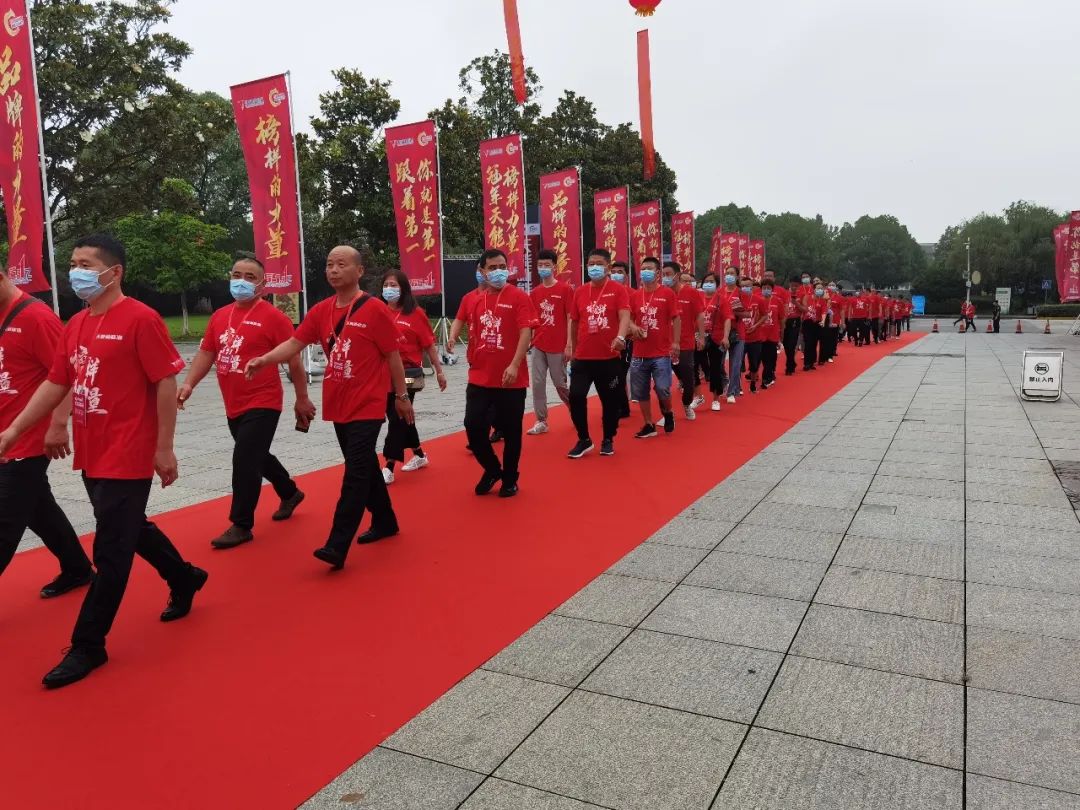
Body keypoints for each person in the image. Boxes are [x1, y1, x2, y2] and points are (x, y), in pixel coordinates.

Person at [0, 233, 208, 688]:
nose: (76, 272)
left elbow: (165, 382)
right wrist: (15, 430)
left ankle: (88, 644)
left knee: (111, 548)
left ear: (114, 273)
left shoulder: (141, 319)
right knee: (129, 527)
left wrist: (164, 447)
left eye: (86, 264)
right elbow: (55, 382)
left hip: (129, 450)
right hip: (93, 449)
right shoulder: (75, 324)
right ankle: (184, 576)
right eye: (73, 263)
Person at [245, 245, 412, 569]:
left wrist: (401, 397)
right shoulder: (321, 311)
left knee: (355, 473)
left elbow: (393, 356)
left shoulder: (375, 310)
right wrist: (265, 359)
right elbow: (295, 343)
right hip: (338, 402)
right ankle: (385, 520)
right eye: (329, 264)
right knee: (363, 465)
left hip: (368, 403)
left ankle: (337, 544)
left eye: (341, 264)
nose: (333, 270)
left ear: (359, 271)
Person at [177, 256, 312, 549]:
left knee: (245, 459)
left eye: (250, 277)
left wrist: (302, 398)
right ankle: (289, 492)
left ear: (262, 284)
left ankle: (241, 524)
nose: (241, 281)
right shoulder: (220, 316)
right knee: (255, 454)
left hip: (263, 400)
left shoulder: (274, 318)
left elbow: (294, 361)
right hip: (233, 402)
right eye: (237, 275)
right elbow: (207, 353)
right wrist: (188, 384)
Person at [0, 264, 93, 597]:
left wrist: (58, 424)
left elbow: (67, 375)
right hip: (6, 433)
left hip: (27, 438)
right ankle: (77, 568)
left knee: (4, 520)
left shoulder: (36, 318)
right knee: (38, 507)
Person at [458, 249, 532, 493]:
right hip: (480, 376)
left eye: (502, 266)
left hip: (511, 378)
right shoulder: (476, 301)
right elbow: (474, 334)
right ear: (482, 272)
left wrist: (514, 364)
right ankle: (492, 470)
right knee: (473, 426)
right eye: (492, 267)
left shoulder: (519, 297)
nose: (498, 271)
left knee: (511, 432)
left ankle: (510, 479)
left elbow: (526, 331)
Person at [380, 269, 447, 482]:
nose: (389, 289)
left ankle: (389, 466)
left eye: (393, 285)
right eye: (386, 285)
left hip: (408, 375)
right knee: (402, 416)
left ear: (403, 289)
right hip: (383, 374)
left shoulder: (416, 314)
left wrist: (439, 371)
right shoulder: (379, 311)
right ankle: (419, 454)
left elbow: (429, 345)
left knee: (398, 416)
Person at [567, 249, 631, 457]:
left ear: (608, 267)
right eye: (590, 263)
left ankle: (608, 438)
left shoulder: (617, 290)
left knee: (610, 401)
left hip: (608, 357)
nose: (594, 267)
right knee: (576, 396)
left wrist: (620, 337)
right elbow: (574, 322)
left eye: (598, 263)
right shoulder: (580, 292)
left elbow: (624, 316)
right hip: (583, 358)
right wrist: (572, 347)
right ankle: (584, 439)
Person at [628, 257, 679, 436]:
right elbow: (628, 319)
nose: (645, 272)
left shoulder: (667, 293)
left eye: (649, 269)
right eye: (643, 269)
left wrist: (676, 342)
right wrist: (634, 327)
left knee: (663, 388)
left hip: (661, 352)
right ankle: (648, 424)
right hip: (639, 353)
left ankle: (668, 412)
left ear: (657, 273)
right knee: (640, 391)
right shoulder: (635, 296)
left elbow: (676, 318)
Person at [526, 249, 572, 436]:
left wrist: (569, 344)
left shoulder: (565, 290)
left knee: (560, 383)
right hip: (539, 344)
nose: (543, 268)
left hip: (558, 345)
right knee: (537, 383)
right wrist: (529, 339)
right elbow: (531, 320)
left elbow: (570, 318)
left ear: (554, 266)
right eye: (540, 265)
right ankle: (541, 420)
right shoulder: (535, 293)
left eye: (547, 265)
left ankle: (575, 407)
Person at [665, 262, 705, 419]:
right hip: (664, 343)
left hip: (686, 342)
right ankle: (666, 412)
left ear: (677, 275)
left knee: (688, 378)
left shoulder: (691, 293)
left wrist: (701, 337)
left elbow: (699, 315)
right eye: (664, 274)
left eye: (669, 274)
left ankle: (687, 403)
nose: (666, 277)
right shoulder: (662, 292)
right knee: (664, 380)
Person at [700, 272, 732, 410]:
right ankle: (697, 396)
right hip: (699, 337)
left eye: (711, 281)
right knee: (696, 366)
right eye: (706, 281)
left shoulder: (721, 299)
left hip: (716, 338)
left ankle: (715, 399)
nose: (708, 284)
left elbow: (727, 319)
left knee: (715, 368)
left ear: (717, 285)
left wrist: (725, 336)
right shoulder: (698, 297)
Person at [609, 261, 633, 419]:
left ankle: (622, 407)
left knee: (620, 373)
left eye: (620, 272)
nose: (616, 275)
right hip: (608, 340)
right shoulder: (607, 292)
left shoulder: (633, 294)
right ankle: (621, 405)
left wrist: (625, 333)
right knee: (611, 374)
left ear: (626, 275)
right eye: (614, 272)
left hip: (626, 341)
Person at [722, 268, 746, 403]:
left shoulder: (741, 293)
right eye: (727, 273)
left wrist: (733, 312)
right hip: (722, 332)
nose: (729, 276)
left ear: (737, 277)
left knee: (735, 364)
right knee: (718, 363)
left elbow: (747, 313)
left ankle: (731, 392)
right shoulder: (720, 292)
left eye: (732, 274)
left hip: (738, 332)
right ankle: (725, 382)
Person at [741, 278, 767, 392]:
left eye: (747, 286)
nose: (745, 288)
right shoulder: (737, 300)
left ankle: (752, 384)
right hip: (740, 338)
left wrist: (755, 326)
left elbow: (764, 315)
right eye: (743, 286)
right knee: (738, 363)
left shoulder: (759, 300)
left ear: (752, 287)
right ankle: (738, 386)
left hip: (755, 338)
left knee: (754, 363)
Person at [759, 280, 782, 388]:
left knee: (772, 356)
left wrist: (781, 333)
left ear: (772, 289)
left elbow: (781, 318)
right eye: (764, 288)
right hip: (761, 333)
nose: (766, 290)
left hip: (773, 333)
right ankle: (767, 377)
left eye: (768, 288)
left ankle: (770, 372)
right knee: (764, 356)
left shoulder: (777, 301)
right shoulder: (758, 300)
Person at [802, 281, 827, 370]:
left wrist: (823, 321)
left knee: (814, 343)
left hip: (817, 324)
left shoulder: (823, 301)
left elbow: (824, 312)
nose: (820, 290)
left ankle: (811, 362)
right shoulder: (807, 297)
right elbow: (804, 308)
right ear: (814, 289)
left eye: (821, 288)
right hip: (808, 323)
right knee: (808, 343)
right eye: (818, 288)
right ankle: (806, 363)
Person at [782, 276, 803, 376]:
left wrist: (796, 303)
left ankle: (789, 365)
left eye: (796, 286)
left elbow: (804, 309)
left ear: (799, 286)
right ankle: (792, 362)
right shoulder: (785, 293)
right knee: (786, 344)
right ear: (789, 284)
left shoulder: (802, 295)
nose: (794, 287)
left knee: (791, 344)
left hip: (795, 321)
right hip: (785, 321)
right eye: (792, 285)